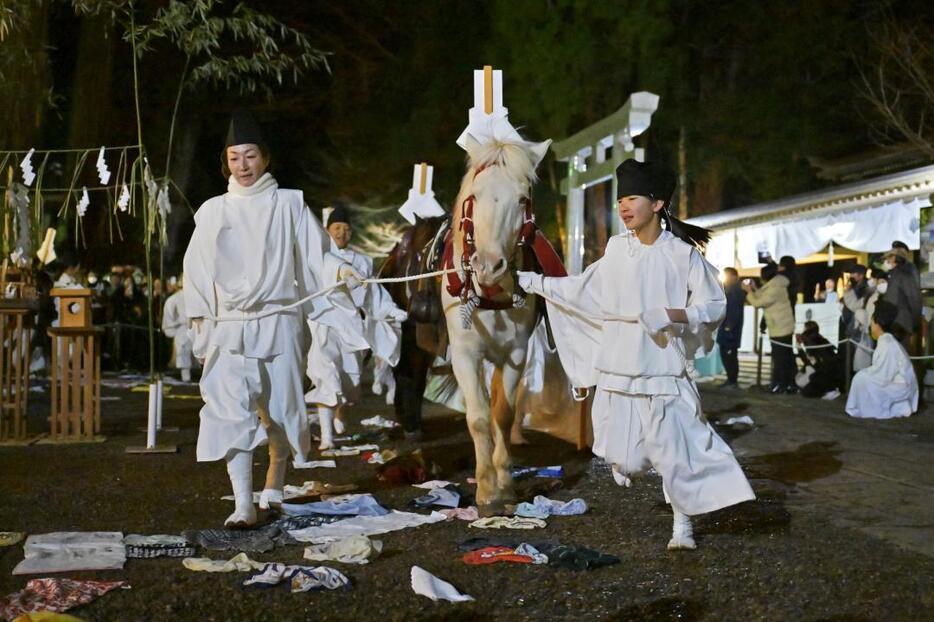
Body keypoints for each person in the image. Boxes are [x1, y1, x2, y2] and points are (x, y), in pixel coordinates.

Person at [517, 159, 754, 551]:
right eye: (620, 199)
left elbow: (714, 305)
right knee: (624, 459)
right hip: (618, 364)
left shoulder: (681, 254)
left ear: (657, 203)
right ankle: (637, 466)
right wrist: (533, 282)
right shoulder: (615, 248)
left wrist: (672, 314)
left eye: (632, 198)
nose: (623, 207)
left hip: (662, 366)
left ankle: (683, 526)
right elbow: (583, 289)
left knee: (675, 450)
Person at [183, 109, 367, 528]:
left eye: (250, 156)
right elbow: (195, 273)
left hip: (278, 319)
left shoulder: (290, 204)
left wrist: (338, 270)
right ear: (225, 162)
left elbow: (318, 257)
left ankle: (276, 479)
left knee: (280, 410)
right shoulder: (211, 211)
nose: (242, 166)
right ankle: (243, 504)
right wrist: (202, 325)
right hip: (229, 325)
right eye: (234, 157)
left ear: (265, 158)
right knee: (230, 410)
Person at [305, 203, 407, 449]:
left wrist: (390, 310)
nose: (342, 233)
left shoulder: (362, 261)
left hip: (350, 327)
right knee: (326, 373)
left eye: (347, 229)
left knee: (348, 380)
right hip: (322, 322)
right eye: (337, 227)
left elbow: (372, 292)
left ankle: (339, 412)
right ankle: (327, 438)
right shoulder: (315, 257)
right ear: (327, 230)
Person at [845, 300, 918, 419]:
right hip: (897, 383)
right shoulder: (886, 340)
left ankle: (895, 407)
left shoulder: (887, 343)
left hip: (900, 387)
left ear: (877, 323)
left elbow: (883, 375)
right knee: (862, 377)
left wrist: (865, 374)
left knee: (861, 378)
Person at [743, 263, 796, 393]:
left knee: (780, 359)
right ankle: (786, 384)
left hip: (781, 328)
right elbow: (763, 294)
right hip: (781, 327)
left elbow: (758, 302)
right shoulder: (776, 284)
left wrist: (749, 291)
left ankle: (780, 385)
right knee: (783, 358)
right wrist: (755, 289)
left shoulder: (775, 288)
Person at [881, 246, 921, 348]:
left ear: (894, 258)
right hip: (893, 323)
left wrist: (915, 322)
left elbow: (914, 299)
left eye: (888, 258)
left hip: (900, 325)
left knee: (900, 357)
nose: (886, 261)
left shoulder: (903, 276)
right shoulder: (893, 275)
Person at [161, 274, 198, 382]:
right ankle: (186, 375)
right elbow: (169, 316)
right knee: (184, 348)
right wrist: (173, 326)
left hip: (196, 325)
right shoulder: (174, 299)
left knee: (197, 348)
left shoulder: (198, 297)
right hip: (183, 327)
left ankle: (194, 374)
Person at [795, 321, 842, 400]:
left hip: (823, 372)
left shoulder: (809, 341)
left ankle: (829, 390)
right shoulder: (821, 339)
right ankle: (831, 388)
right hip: (832, 370)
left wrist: (799, 349)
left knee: (806, 391)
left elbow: (811, 361)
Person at [842, 264, 874, 371]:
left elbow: (856, 305)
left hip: (857, 326)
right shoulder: (857, 287)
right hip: (853, 325)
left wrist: (847, 293)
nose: (851, 276)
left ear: (860, 275)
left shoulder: (865, 288)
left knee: (859, 358)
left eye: (853, 273)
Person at [716, 267, 744, 389]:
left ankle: (732, 381)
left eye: (726, 276)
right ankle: (730, 379)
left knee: (730, 355)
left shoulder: (736, 290)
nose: (725, 279)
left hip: (730, 329)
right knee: (726, 354)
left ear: (734, 276)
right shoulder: (730, 289)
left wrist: (729, 326)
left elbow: (734, 311)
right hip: (727, 327)